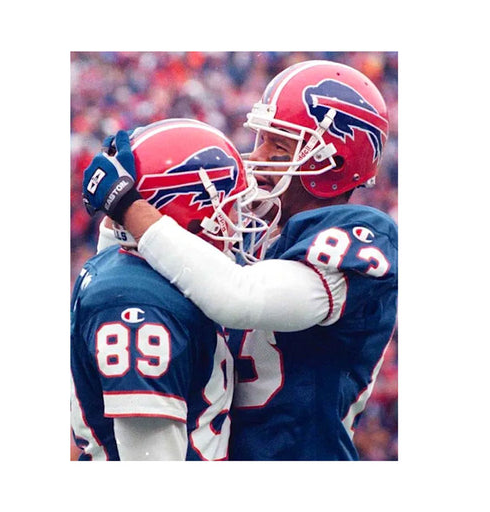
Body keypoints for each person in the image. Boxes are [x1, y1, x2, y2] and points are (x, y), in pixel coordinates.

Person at [82, 60, 398, 460]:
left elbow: (240, 298)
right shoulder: (255, 223)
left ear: (329, 164)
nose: (257, 156)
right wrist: (120, 219)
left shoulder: (361, 237)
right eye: (261, 138)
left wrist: (128, 205)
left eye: (278, 146)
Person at [72, 118, 269, 460]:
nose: (238, 222)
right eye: (230, 207)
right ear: (191, 210)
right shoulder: (139, 306)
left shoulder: (149, 273)